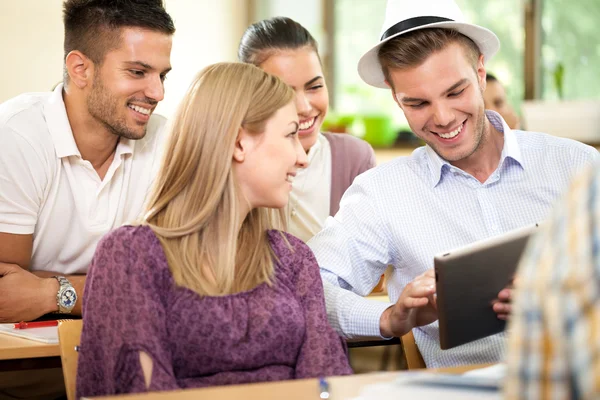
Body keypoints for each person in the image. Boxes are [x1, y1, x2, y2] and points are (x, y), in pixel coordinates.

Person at [307, 0, 600, 368]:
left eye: (455, 92)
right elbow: (309, 286)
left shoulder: (578, 166)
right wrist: (388, 318)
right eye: (417, 103)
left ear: (481, 71)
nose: (443, 119)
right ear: (394, 96)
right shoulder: (382, 195)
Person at [76, 62, 353, 397]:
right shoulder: (131, 255)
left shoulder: (293, 258)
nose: (302, 158)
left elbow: (330, 385)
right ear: (239, 143)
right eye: (290, 133)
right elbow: (143, 390)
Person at [0, 0, 174, 323]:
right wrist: (116, 287)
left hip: (123, 353)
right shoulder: (16, 135)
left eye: (162, 75)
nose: (158, 92)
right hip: (19, 364)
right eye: (138, 72)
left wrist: (49, 292)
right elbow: (6, 292)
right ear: (80, 69)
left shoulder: (166, 140)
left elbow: (169, 286)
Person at [239, 17, 376, 242]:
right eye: (285, 91)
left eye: (315, 87)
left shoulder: (354, 159)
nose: (304, 107)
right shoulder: (238, 163)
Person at [504, 162, 600, 399]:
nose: (444, 121)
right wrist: (394, 319)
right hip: (456, 376)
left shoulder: (578, 163)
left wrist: (539, 296)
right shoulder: (588, 187)